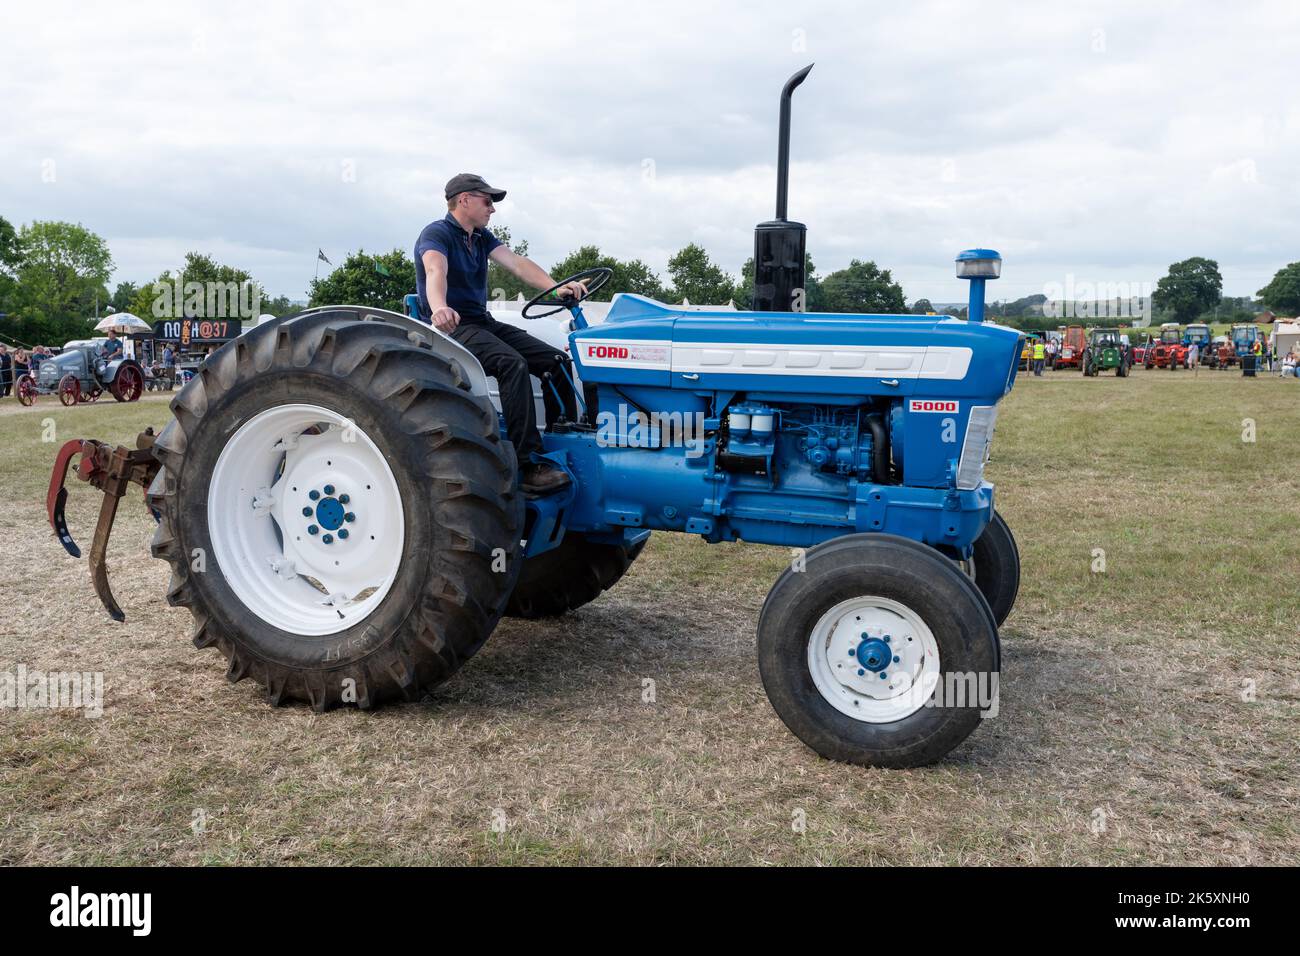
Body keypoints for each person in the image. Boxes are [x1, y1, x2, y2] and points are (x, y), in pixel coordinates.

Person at [415, 173, 588, 494]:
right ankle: (527, 465)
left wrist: (557, 287)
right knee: (512, 364)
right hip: (451, 327)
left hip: (480, 321)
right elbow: (435, 270)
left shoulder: (481, 237)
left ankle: (563, 440)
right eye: (487, 200)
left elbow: (518, 265)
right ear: (464, 199)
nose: (492, 208)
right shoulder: (436, 233)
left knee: (556, 361)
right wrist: (439, 307)